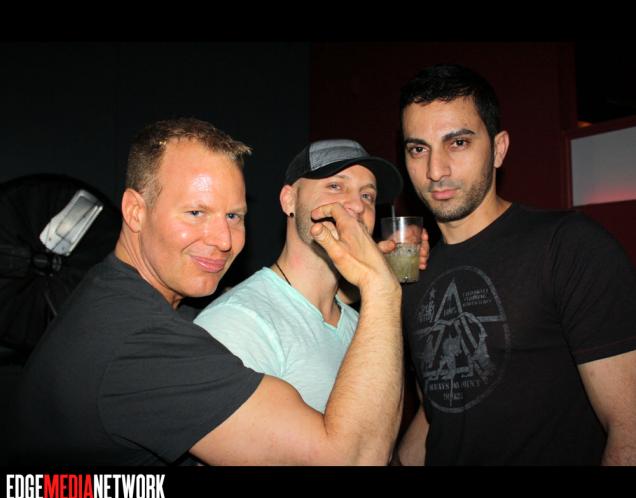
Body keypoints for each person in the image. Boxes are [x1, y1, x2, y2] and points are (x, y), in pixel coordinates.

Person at [10, 117, 405, 466]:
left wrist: (348, 296)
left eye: (233, 216)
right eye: (196, 212)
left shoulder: (113, 292)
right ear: (135, 211)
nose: (223, 240)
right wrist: (381, 289)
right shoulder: (142, 345)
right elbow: (352, 457)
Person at [395, 64, 636, 465]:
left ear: (499, 148)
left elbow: (629, 429)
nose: (435, 170)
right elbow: (442, 407)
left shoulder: (569, 246)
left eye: (458, 142)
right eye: (418, 149)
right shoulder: (413, 274)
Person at [195, 139, 428, 413]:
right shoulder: (237, 323)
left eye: (368, 195)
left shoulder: (365, 324)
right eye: (335, 186)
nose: (357, 205)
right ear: (289, 200)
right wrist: (381, 287)